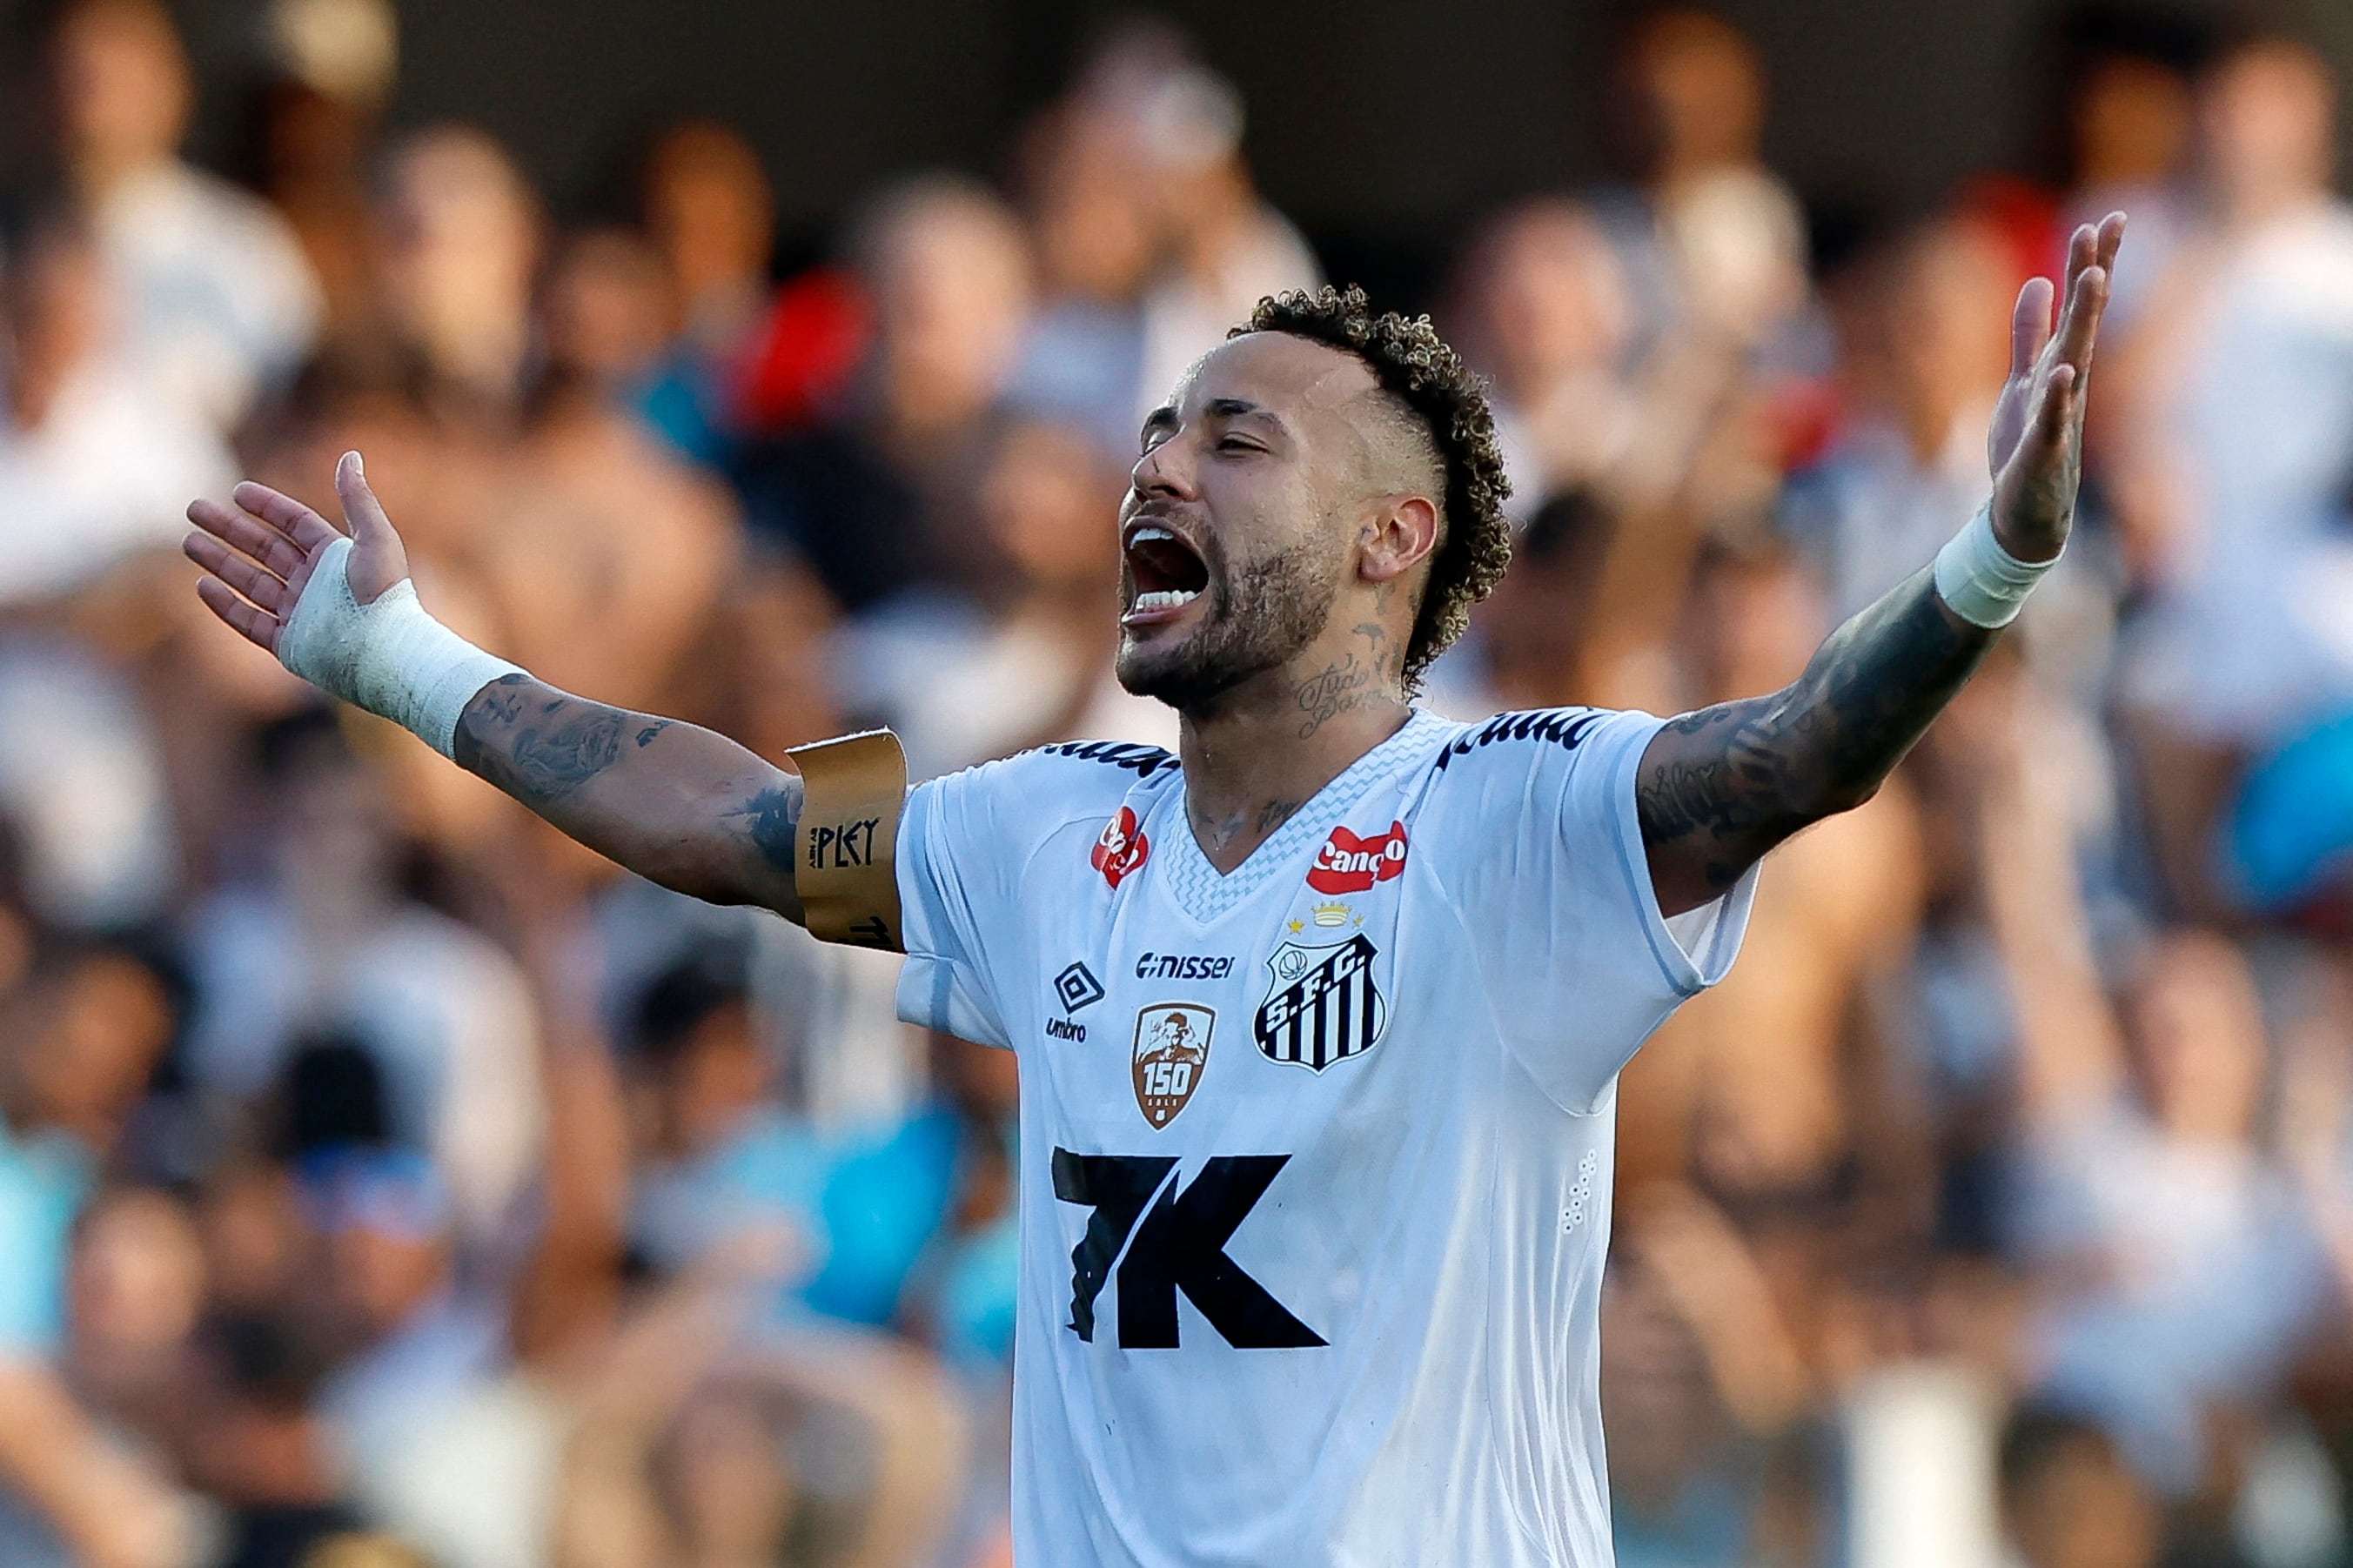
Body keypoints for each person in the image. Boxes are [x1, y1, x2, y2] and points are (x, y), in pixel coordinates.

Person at [183, 204, 2124, 1562]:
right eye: (1152, 431)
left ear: (1389, 540)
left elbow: (1796, 751)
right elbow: (743, 828)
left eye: (1232, 437)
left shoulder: (1511, 821)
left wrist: (1990, 560)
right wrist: (404, 664)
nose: (1157, 472)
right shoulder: (1040, 832)